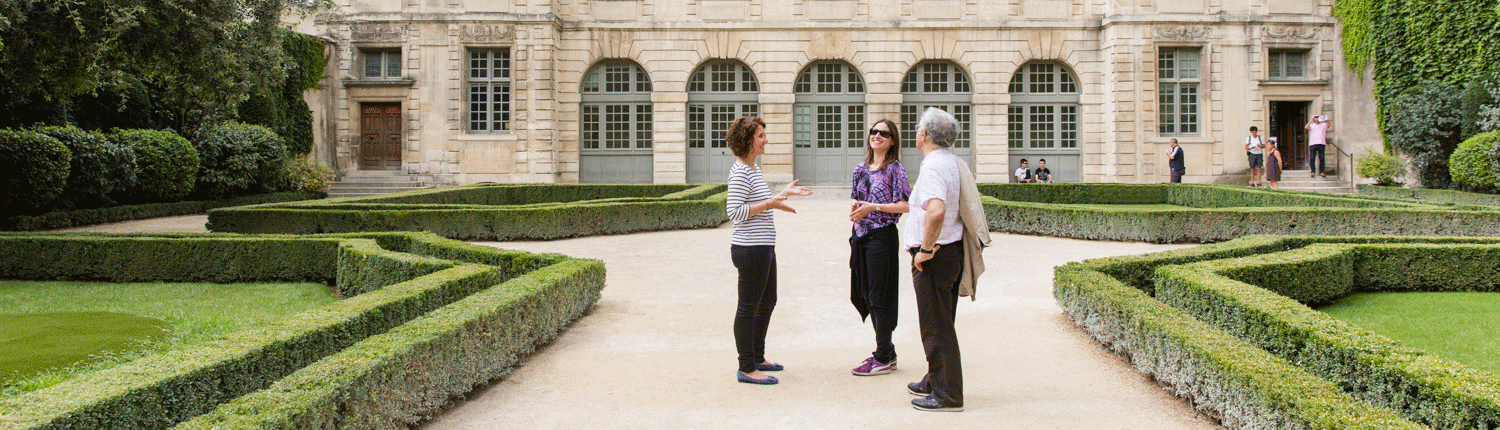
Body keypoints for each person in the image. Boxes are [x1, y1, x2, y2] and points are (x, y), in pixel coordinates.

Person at [905, 107, 985, 412]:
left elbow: (936, 211)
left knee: (936, 327)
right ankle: (934, 379)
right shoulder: (950, 161)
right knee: (942, 321)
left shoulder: (933, 167)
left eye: (918, 128)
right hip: (950, 253)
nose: (916, 132)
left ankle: (947, 396)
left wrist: (925, 250)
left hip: (934, 258)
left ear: (924, 135)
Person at [724, 116, 813, 385]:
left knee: (767, 301)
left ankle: (757, 356)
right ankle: (746, 367)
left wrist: (781, 195)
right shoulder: (741, 172)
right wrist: (770, 203)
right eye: (761, 136)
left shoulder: (753, 169)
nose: (766, 140)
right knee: (747, 307)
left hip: (763, 247)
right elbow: (734, 211)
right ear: (747, 141)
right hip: (750, 248)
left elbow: (761, 201)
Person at [848, 119, 911, 377]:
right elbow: (856, 200)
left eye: (884, 133)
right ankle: (888, 352)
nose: (877, 136)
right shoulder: (860, 169)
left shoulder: (895, 169)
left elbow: (905, 205)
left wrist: (873, 207)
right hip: (861, 236)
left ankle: (882, 356)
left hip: (882, 238)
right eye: (874, 131)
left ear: (892, 140)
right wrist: (856, 210)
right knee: (865, 294)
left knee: (879, 296)